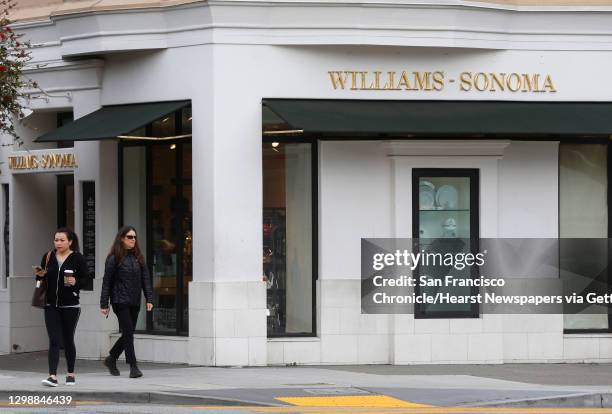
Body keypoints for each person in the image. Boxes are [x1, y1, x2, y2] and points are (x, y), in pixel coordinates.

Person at [36, 228, 89, 387]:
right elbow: (39, 278)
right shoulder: (48, 256)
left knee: (67, 339)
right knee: (54, 340)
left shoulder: (77, 258)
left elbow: (86, 279)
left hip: (71, 305)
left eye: (62, 240)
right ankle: (52, 376)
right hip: (51, 305)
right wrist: (40, 276)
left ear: (70, 242)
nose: (58, 243)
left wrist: (75, 282)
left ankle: (70, 373)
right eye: (56, 240)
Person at [100, 226, 153, 378]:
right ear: (122, 238)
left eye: (134, 237)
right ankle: (133, 366)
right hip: (119, 300)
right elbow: (106, 282)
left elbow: (146, 280)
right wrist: (104, 304)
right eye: (130, 237)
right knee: (128, 332)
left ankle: (112, 358)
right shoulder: (114, 258)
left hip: (135, 301)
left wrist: (149, 298)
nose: (133, 240)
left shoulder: (139, 257)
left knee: (128, 333)